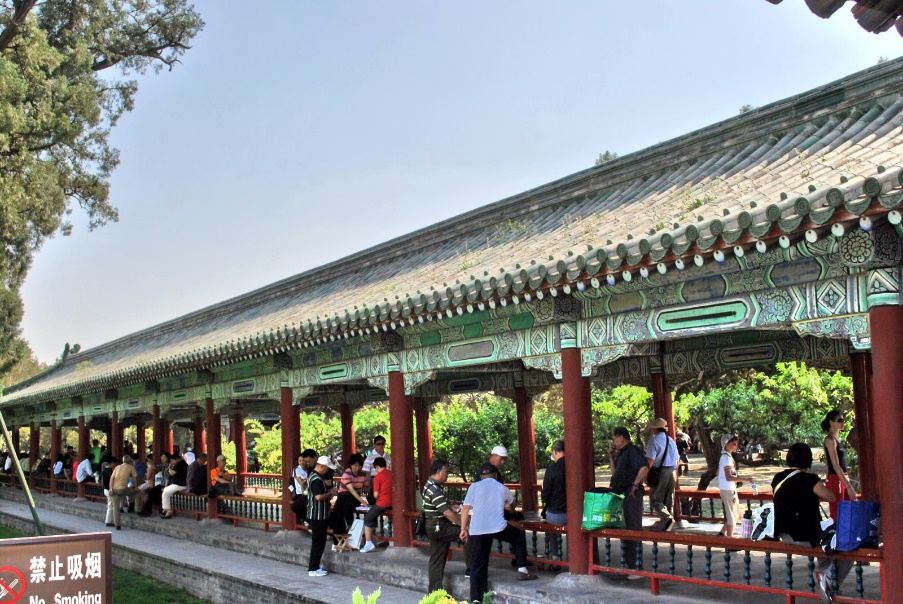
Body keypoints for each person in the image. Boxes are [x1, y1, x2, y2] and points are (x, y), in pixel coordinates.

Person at [772, 443, 851, 603]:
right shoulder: (809, 479)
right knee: (846, 550)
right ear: (807, 459)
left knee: (825, 552)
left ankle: (826, 584)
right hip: (805, 534)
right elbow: (831, 497)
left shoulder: (778, 478)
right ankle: (829, 582)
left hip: (784, 533)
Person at [460, 465, 537, 602]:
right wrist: (509, 507)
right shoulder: (502, 488)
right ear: (495, 475)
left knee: (478, 565)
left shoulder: (473, 487)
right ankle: (523, 570)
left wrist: (463, 529)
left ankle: (477, 599)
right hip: (497, 527)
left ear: (481, 476)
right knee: (519, 536)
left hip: (478, 529)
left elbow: (465, 509)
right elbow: (512, 506)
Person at [609, 426, 648, 572]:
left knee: (633, 528)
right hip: (620, 495)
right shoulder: (622, 453)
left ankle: (636, 565)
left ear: (621, 437)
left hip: (631, 495)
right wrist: (611, 458)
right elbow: (615, 474)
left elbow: (644, 467)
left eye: (615, 439)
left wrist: (634, 485)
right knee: (623, 528)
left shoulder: (633, 451)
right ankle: (628, 562)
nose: (614, 442)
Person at [422, 458, 463, 593]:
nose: (447, 475)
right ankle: (471, 569)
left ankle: (434, 591)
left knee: (436, 558)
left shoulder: (430, 484)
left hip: (433, 524)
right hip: (439, 525)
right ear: (440, 472)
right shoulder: (434, 488)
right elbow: (446, 512)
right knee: (467, 536)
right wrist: (462, 526)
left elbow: (441, 506)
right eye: (447, 472)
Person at [644, 417, 678, 531]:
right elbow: (677, 459)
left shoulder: (654, 441)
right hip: (672, 471)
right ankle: (667, 524)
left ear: (654, 429)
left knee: (655, 499)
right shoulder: (671, 440)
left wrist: (645, 474)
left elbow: (650, 460)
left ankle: (667, 518)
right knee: (668, 498)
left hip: (660, 471)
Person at [822, 410, 857, 521]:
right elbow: (836, 465)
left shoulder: (838, 439)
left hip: (842, 476)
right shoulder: (830, 440)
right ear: (831, 422)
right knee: (838, 511)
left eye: (843, 420)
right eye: (839, 420)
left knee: (848, 510)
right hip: (835, 478)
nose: (842, 423)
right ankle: (835, 536)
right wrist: (849, 486)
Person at [307, 455, 338, 578]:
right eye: (327, 468)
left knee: (318, 542)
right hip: (318, 515)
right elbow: (318, 497)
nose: (327, 471)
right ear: (322, 466)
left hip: (317, 514)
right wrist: (330, 493)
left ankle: (315, 566)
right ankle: (313, 568)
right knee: (318, 542)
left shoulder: (313, 476)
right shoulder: (316, 479)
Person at [717, 434, 750, 538]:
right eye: (734, 444)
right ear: (726, 444)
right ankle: (730, 540)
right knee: (732, 515)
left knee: (734, 512)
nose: (736, 446)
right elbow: (729, 477)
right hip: (728, 489)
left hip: (728, 488)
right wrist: (745, 479)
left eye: (736, 444)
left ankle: (722, 533)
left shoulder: (727, 457)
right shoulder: (726, 458)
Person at [541, 440, 567, 560]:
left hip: (556, 515)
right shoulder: (575, 467)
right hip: (574, 514)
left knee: (552, 531)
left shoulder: (551, 470)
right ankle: (573, 557)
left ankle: (555, 557)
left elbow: (546, 496)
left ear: (555, 452)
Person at [332, 453, 368, 538]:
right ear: (351, 465)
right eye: (355, 466)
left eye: (359, 466)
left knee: (347, 506)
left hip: (354, 497)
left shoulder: (363, 474)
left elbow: (365, 487)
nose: (357, 468)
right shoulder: (346, 474)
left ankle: (350, 526)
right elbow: (351, 490)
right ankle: (344, 529)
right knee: (339, 510)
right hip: (344, 495)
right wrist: (362, 501)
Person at [360, 456, 392, 553]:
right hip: (393, 502)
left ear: (377, 467)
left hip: (383, 502)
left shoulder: (378, 477)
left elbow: (375, 494)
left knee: (368, 518)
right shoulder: (392, 474)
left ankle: (368, 542)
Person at [108, 455, 138, 530]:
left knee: (116, 507)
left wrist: (111, 489)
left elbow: (112, 479)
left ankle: (117, 525)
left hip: (114, 489)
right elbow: (135, 478)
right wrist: (136, 488)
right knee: (137, 493)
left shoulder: (117, 467)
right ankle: (139, 510)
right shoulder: (131, 467)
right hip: (123, 488)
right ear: (130, 461)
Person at [161, 451, 189, 518]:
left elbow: (171, 473)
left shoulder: (179, 464)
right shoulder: (184, 463)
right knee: (165, 490)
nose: (171, 462)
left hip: (180, 485)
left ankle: (168, 510)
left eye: (172, 461)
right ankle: (166, 508)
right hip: (180, 484)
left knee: (165, 493)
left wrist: (170, 467)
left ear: (176, 459)